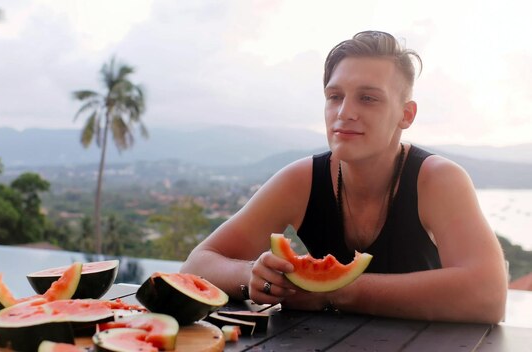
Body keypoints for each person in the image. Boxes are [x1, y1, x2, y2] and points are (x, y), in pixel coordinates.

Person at [180, 30, 508, 324]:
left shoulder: (438, 180)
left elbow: (489, 296)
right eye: (335, 96)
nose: (344, 112)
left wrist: (336, 291)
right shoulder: (301, 180)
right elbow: (196, 265)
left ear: (406, 115)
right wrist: (251, 275)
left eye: (368, 98)